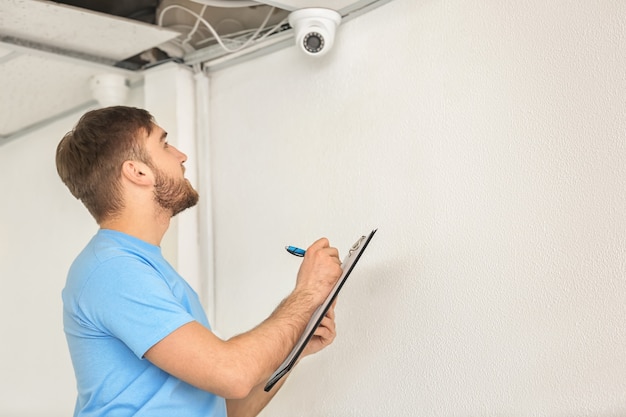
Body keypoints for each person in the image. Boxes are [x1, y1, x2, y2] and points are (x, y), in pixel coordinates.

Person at [55, 106, 343, 417]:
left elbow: (225, 405)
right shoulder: (113, 270)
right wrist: (308, 293)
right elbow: (233, 374)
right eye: (165, 144)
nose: (181, 155)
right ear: (137, 171)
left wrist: (294, 346)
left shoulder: (141, 267)